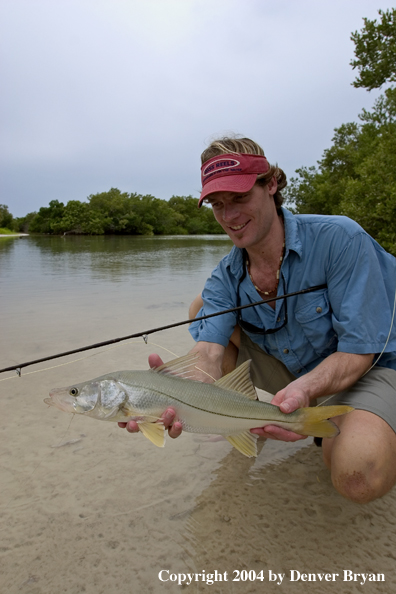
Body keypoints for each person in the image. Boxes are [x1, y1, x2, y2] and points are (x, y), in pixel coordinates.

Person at [119, 136, 396, 504]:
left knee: (356, 475)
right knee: (200, 309)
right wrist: (172, 394)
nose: (229, 216)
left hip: (367, 367)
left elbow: (360, 351)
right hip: (295, 378)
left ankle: (369, 425)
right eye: (217, 205)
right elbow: (207, 357)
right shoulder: (224, 277)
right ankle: (249, 418)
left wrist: (305, 391)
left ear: (271, 185)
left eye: (239, 198)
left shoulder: (339, 238)